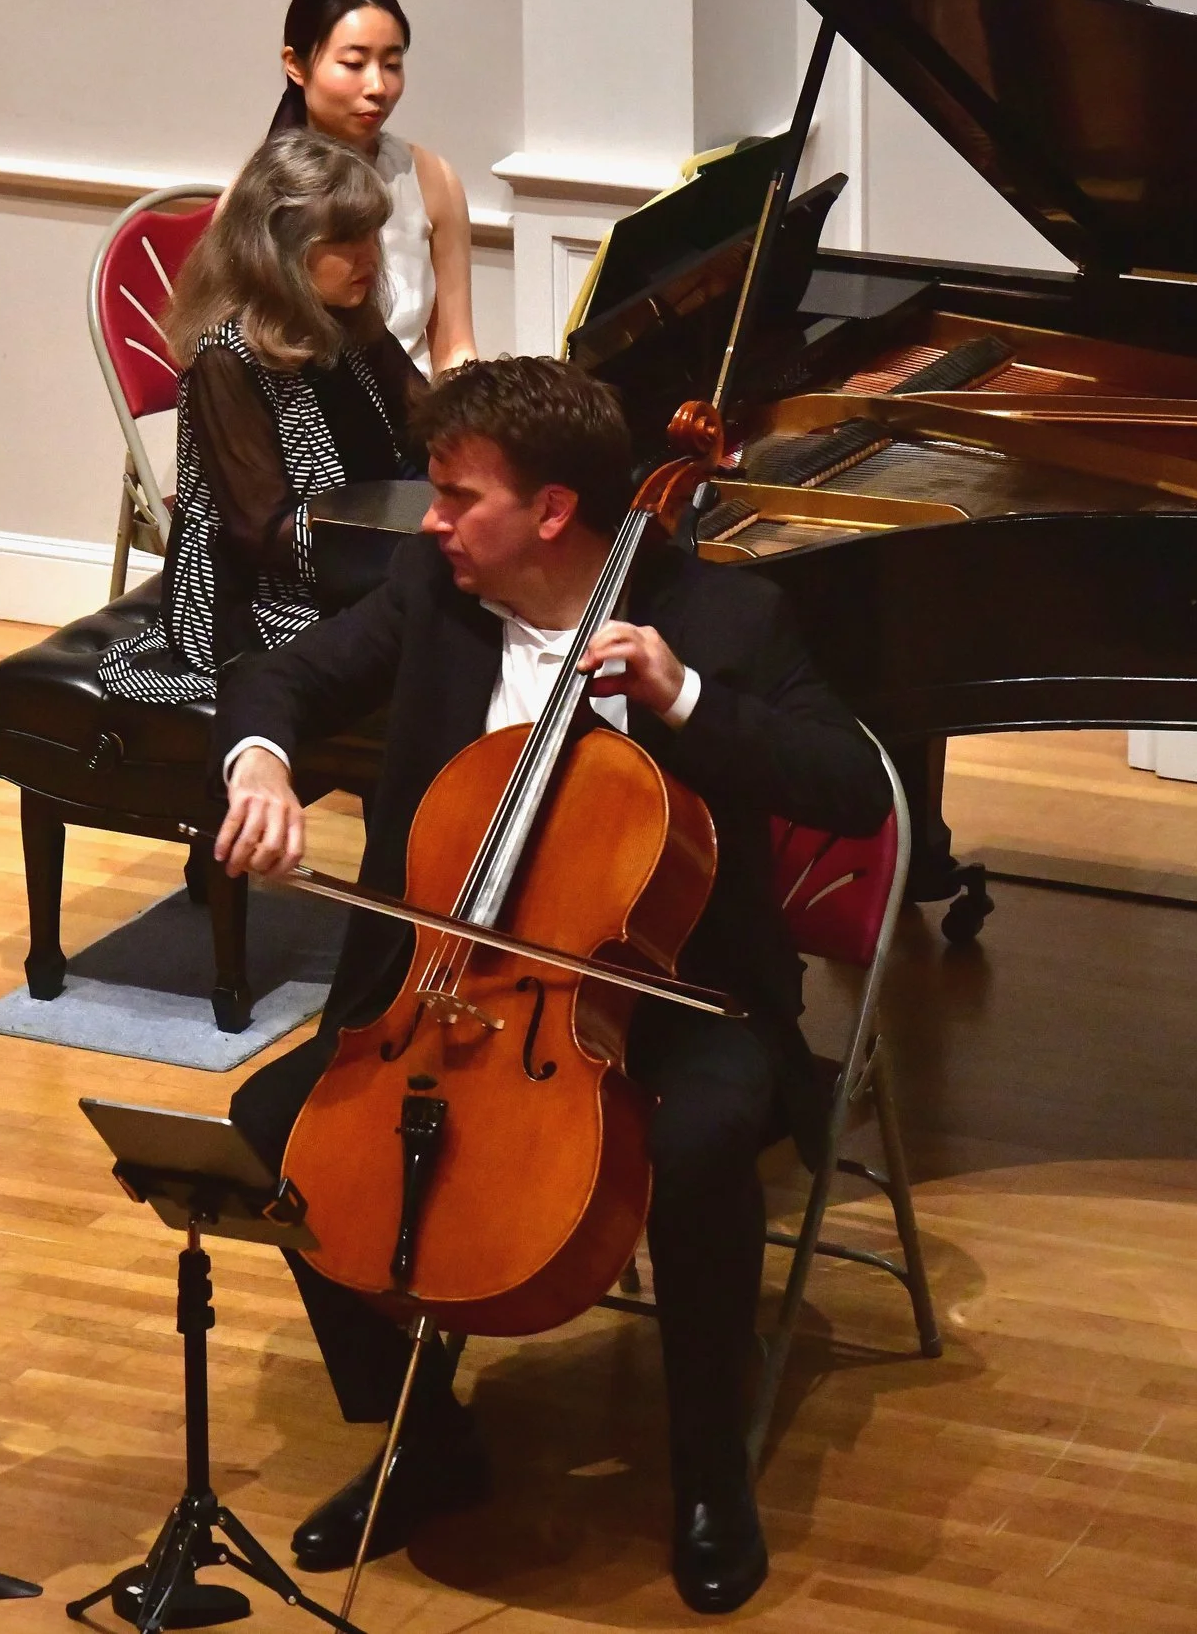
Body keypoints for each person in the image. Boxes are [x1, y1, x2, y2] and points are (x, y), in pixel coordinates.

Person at [211, 359, 890, 1614]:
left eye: (457, 496)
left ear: (554, 511)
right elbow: (281, 678)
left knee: (697, 1146)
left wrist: (682, 697)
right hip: (454, 981)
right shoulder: (433, 593)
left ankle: (708, 1474)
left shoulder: (728, 619)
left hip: (677, 991)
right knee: (274, 1129)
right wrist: (259, 764)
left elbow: (850, 785)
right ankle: (425, 1440)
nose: (429, 521)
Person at [97, 129, 423, 706]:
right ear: (280, 249)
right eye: (345, 240)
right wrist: (409, 561)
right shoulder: (226, 358)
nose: (369, 256)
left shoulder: (346, 320)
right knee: (450, 627)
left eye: (372, 234)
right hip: (260, 601)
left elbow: (430, 423)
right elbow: (264, 534)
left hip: (358, 556)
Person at [269, 0, 477, 376]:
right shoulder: (263, 190)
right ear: (296, 65)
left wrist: (464, 408)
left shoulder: (432, 178)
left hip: (415, 405)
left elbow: (456, 345)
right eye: (354, 63)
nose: (378, 86)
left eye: (392, 64)